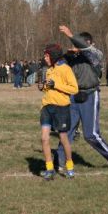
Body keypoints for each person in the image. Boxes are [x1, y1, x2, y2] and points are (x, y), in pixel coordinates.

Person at [56, 25, 108, 172]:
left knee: (90, 134)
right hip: (73, 96)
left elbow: (86, 49)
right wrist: (64, 56)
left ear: (88, 44)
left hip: (90, 95)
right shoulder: (71, 58)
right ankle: (59, 162)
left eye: (77, 44)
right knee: (67, 131)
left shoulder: (95, 55)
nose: (74, 47)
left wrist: (71, 35)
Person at [39, 44, 78, 180]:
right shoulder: (49, 70)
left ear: (54, 55)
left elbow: (74, 89)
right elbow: (47, 88)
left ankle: (70, 166)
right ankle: (49, 169)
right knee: (44, 138)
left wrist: (56, 85)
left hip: (61, 108)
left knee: (63, 138)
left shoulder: (66, 69)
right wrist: (42, 86)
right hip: (46, 108)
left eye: (47, 55)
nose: (45, 58)